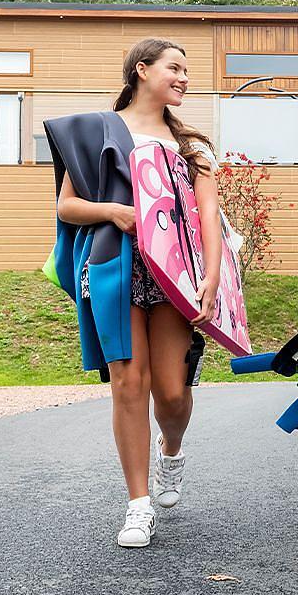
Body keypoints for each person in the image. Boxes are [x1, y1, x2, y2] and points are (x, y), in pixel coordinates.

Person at [48, 38, 220, 548]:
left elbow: (208, 215)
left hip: (174, 273)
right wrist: (113, 212)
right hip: (116, 267)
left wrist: (211, 276)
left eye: (187, 70)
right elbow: (67, 208)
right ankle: (137, 504)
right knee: (128, 383)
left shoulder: (192, 146)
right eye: (175, 68)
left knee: (171, 392)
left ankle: (172, 448)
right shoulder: (96, 133)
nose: (185, 77)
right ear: (141, 71)